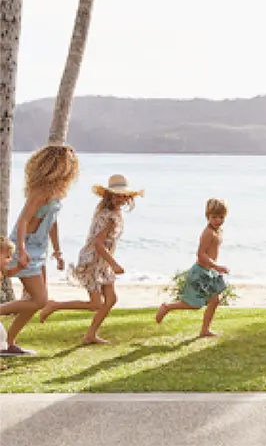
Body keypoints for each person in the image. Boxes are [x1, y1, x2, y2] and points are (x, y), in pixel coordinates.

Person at [39, 174, 143, 345]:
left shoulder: (113, 213)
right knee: (96, 303)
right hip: (94, 260)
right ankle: (55, 305)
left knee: (111, 300)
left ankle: (91, 335)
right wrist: (114, 264)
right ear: (108, 195)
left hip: (102, 261)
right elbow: (98, 243)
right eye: (116, 195)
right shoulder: (108, 215)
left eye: (123, 196)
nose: (120, 199)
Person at [0, 142, 79, 356]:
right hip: (25, 247)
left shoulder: (56, 192)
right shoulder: (40, 191)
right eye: (68, 163)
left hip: (39, 249)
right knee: (39, 301)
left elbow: (52, 222)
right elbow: (24, 221)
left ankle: (9, 343)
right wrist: (22, 250)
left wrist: (57, 250)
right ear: (55, 164)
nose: (72, 167)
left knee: (33, 302)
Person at [155, 198, 229, 337]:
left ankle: (204, 330)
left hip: (209, 271)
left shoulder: (218, 231)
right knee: (194, 304)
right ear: (207, 216)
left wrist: (214, 268)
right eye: (214, 217)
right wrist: (216, 266)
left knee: (215, 300)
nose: (218, 220)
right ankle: (167, 307)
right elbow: (200, 254)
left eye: (221, 217)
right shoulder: (208, 233)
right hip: (201, 272)